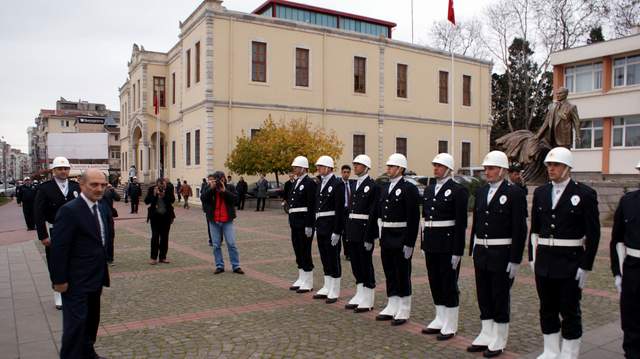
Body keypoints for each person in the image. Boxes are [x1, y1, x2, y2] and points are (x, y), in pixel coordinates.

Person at [529, 147, 599, 359]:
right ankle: (551, 350)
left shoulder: (584, 194)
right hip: (545, 263)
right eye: (549, 165)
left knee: (569, 310)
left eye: (556, 165)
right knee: (547, 308)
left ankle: (569, 352)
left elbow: (593, 234)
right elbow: (534, 229)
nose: (551, 168)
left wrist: (586, 265)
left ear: (567, 167)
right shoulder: (541, 193)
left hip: (570, 262)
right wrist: (532, 257)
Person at [466, 151, 527, 358]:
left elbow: (520, 229)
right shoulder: (482, 192)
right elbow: (476, 223)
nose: (487, 172)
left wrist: (516, 259)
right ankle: (486, 332)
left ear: (502, 170)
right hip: (482, 251)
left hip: (502, 252)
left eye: (491, 168)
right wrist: (473, 247)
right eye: (486, 169)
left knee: (499, 295)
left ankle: (499, 337)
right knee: (483, 294)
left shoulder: (514, 193)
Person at [49, 168, 111, 359]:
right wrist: (59, 280)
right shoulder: (69, 211)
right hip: (75, 281)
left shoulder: (101, 207)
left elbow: (100, 241)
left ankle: (88, 352)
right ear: (82, 184)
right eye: (94, 184)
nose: (99, 189)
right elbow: (59, 249)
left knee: (91, 322)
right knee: (75, 327)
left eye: (102, 185)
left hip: (95, 278)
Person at [421, 153, 469, 341]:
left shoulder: (458, 190)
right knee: (435, 281)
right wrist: (424, 243)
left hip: (448, 244)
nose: (436, 169)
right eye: (435, 165)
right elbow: (425, 219)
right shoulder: (430, 189)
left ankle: (451, 322)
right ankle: (440, 317)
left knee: (449, 283)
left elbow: (461, 223)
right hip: (432, 242)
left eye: (439, 166)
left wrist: (458, 250)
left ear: (448, 169)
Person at [370, 153, 420, 326]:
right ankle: (392, 304)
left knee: (402, 272)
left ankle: (404, 307)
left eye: (391, 166)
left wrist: (409, 243)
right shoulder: (385, 187)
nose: (388, 169)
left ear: (400, 169)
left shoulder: (409, 188)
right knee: (389, 271)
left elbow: (414, 218)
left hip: (401, 236)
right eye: (388, 166)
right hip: (387, 235)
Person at [34, 156, 81, 310]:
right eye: (60, 169)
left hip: (74, 231)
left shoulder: (75, 186)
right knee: (56, 262)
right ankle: (58, 293)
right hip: (55, 230)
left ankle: (73, 290)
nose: (63, 171)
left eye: (66, 168)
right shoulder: (45, 188)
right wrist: (43, 235)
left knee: (74, 260)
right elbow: (38, 214)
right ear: (54, 171)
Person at [611, 160, 640, 359]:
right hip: (633, 268)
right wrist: (617, 272)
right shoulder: (628, 201)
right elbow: (617, 239)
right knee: (631, 318)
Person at [344, 155, 379, 312]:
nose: (355, 167)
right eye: (355, 164)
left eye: (358, 165)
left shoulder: (372, 186)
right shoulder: (353, 184)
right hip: (352, 229)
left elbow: (373, 213)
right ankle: (360, 293)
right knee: (355, 263)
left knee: (365, 264)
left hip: (364, 230)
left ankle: (368, 297)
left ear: (366, 167)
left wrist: (369, 235)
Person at [312, 155, 345, 304]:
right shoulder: (320, 183)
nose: (318, 169)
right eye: (318, 166)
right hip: (321, 225)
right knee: (324, 256)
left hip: (331, 225)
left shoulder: (337, 184)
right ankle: (327, 285)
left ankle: (335, 288)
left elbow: (339, 210)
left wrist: (337, 231)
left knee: (333, 257)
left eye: (320, 166)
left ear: (329, 168)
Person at [201, 171, 244, 274]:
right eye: (218, 180)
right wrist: (211, 188)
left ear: (224, 179)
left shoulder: (230, 188)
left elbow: (236, 200)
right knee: (216, 245)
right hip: (214, 220)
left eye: (222, 179)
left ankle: (236, 266)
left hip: (227, 220)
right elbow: (203, 198)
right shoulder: (209, 188)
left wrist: (225, 191)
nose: (220, 182)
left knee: (231, 243)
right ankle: (219, 265)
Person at [288, 156, 317, 293]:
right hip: (295, 222)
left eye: (296, 167)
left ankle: (308, 281)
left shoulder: (309, 183)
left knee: (305, 251)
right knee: (298, 250)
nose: (294, 169)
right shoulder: (296, 182)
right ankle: (301, 277)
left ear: (303, 168)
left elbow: (312, 205)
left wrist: (310, 225)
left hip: (304, 222)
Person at [144, 178, 176, 265]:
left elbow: (172, 200)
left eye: (163, 185)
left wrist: (164, 195)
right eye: (160, 185)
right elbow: (146, 201)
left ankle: (163, 257)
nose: (162, 187)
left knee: (165, 237)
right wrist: (154, 195)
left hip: (166, 217)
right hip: (155, 217)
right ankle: (153, 258)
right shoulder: (152, 189)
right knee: (155, 237)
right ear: (157, 184)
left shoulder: (169, 189)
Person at [102, 183, 120, 265]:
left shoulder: (109, 190)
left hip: (109, 217)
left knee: (110, 237)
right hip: (99, 216)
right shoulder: (95, 191)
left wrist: (113, 190)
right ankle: (102, 258)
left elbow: (118, 198)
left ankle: (110, 258)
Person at [340, 165, 353, 261]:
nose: (346, 174)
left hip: (349, 210)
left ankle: (348, 253)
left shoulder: (352, 184)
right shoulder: (338, 184)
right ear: (341, 173)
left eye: (348, 172)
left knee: (348, 233)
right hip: (341, 211)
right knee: (339, 232)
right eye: (344, 172)